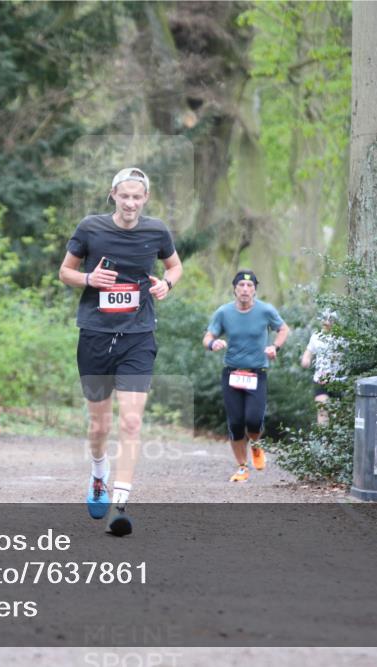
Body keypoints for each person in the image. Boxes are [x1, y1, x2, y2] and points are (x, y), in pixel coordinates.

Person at [58, 167, 183, 536]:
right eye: (124, 196)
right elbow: (65, 271)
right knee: (100, 425)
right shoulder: (90, 228)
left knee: (131, 421)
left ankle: (120, 503)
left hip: (138, 335)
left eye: (137, 197)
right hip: (96, 334)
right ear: (113, 194)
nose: (130, 203)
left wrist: (167, 285)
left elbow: (174, 266)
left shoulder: (156, 230)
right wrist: (88, 279)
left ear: (145, 198)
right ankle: (99, 475)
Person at [203, 271, 289, 483]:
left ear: (255, 290)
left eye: (249, 286)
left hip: (256, 373)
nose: (245, 289)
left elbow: (283, 329)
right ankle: (242, 467)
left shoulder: (265, 310)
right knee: (235, 424)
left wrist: (274, 346)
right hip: (232, 373)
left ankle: (256, 446)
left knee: (252, 420)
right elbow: (208, 335)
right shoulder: (223, 312)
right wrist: (213, 344)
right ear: (234, 288)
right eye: (241, 285)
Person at [300, 309, 345, 426]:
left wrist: (337, 356)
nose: (327, 322)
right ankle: (323, 441)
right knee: (322, 409)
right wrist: (306, 360)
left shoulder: (342, 338)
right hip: (321, 380)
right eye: (325, 319)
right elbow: (308, 353)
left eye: (330, 319)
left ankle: (337, 440)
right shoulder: (316, 336)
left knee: (338, 415)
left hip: (339, 382)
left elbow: (347, 357)